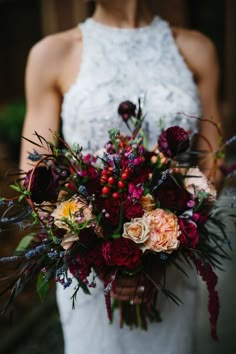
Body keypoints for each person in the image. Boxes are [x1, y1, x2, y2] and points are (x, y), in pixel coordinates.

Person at [19, 1, 223, 353]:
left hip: (172, 263)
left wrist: (163, 249)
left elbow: (212, 163)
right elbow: (35, 176)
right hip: (92, 275)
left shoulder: (197, 49)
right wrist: (101, 254)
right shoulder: (52, 53)